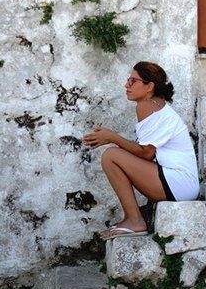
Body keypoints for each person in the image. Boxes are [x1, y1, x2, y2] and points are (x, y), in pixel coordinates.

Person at [82, 61, 199, 240]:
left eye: (133, 81)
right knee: (113, 156)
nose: (126, 85)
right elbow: (145, 153)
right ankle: (133, 219)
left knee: (111, 156)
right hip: (180, 183)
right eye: (128, 80)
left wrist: (112, 137)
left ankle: (135, 221)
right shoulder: (154, 104)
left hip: (179, 183)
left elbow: (146, 153)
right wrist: (111, 138)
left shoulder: (148, 106)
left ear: (149, 86)